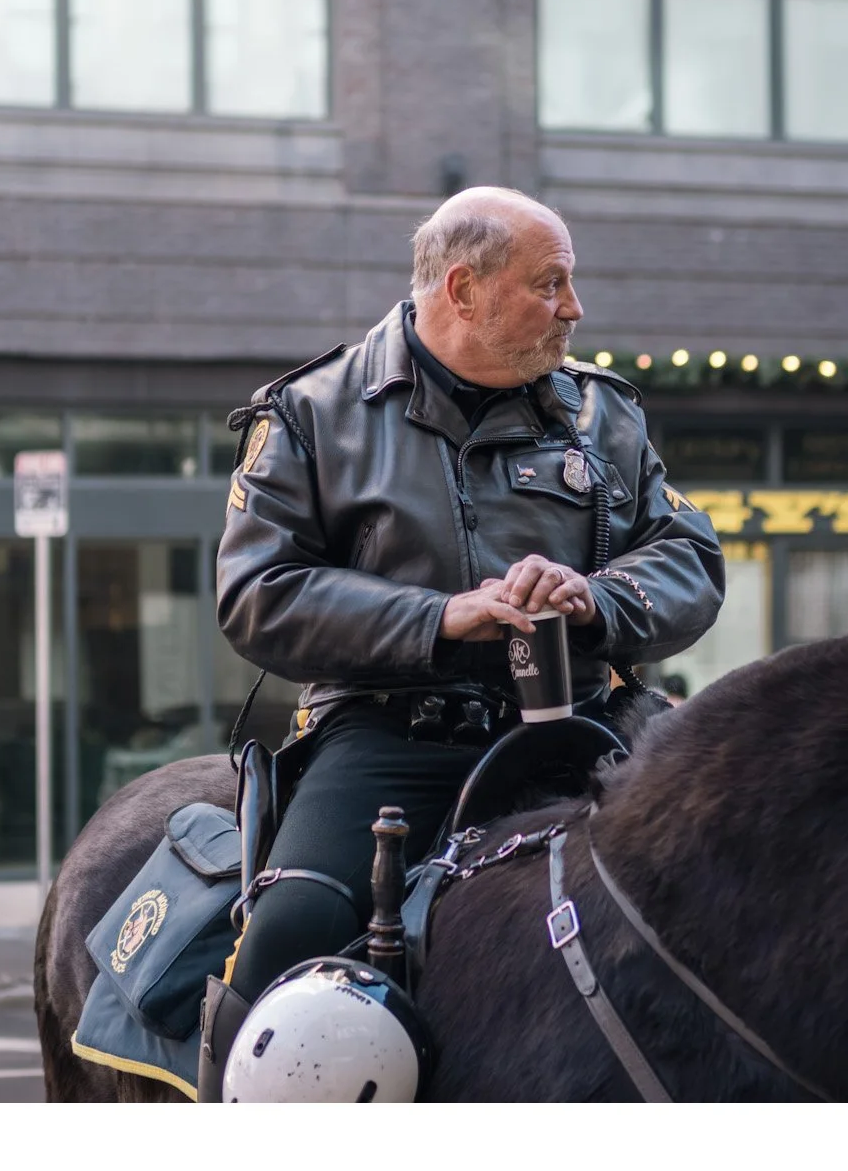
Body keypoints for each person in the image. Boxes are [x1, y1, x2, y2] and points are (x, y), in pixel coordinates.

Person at [199, 186, 725, 1100]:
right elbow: (256, 595)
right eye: (550, 284)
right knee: (287, 941)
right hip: (389, 736)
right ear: (464, 288)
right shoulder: (308, 415)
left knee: (751, 876)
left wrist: (596, 598)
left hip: (585, 724)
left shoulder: (606, 415)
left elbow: (691, 558)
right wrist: (442, 618)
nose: (575, 308)